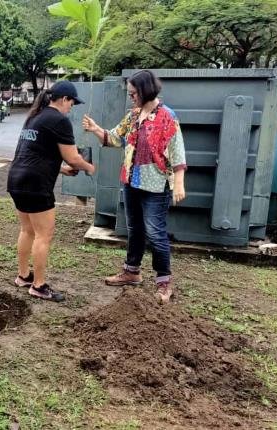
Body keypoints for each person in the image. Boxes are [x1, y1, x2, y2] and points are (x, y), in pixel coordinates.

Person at [82, 69, 186, 303]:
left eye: (133, 93)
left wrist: (178, 183)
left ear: (145, 90)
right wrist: (96, 129)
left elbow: (177, 151)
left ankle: (164, 283)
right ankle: (132, 272)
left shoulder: (167, 116)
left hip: (156, 185)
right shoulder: (133, 116)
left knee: (156, 233)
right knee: (135, 229)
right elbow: (115, 138)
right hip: (131, 181)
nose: (131, 97)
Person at [7, 81, 95, 302]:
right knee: (43, 235)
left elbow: (34, 153)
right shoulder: (59, 120)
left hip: (17, 179)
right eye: (72, 103)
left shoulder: (34, 117)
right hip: (36, 185)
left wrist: (62, 170)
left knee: (27, 230)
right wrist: (90, 167)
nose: (71, 108)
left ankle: (23, 276)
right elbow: (73, 157)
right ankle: (38, 285)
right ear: (64, 99)